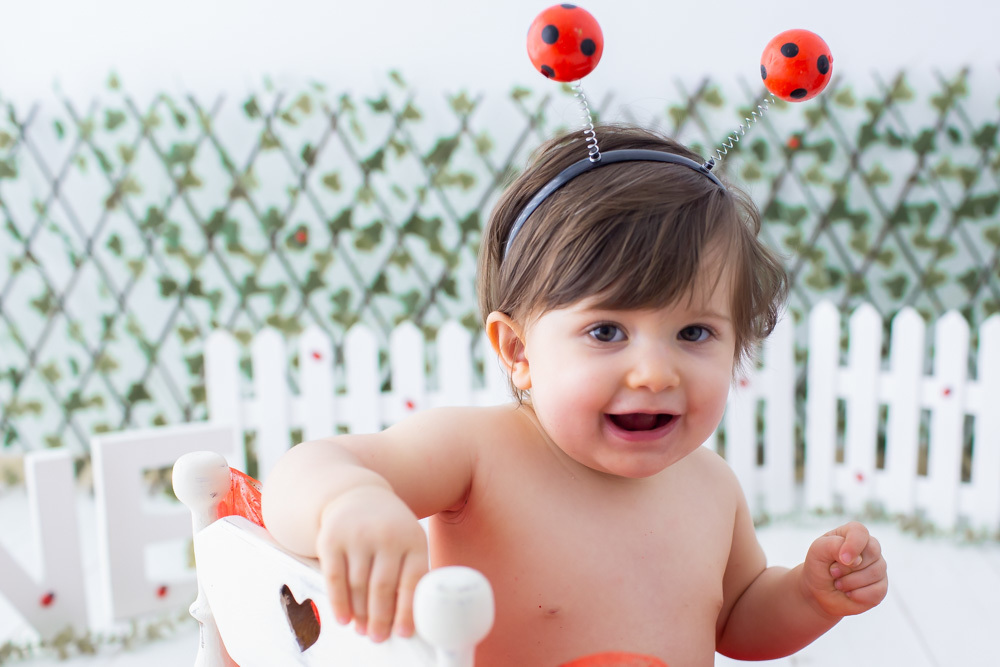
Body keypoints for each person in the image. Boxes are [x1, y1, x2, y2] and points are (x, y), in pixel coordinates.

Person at [261, 123, 888, 666]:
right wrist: (351, 501)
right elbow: (301, 473)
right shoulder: (478, 454)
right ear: (518, 350)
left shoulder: (711, 486)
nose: (655, 374)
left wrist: (808, 596)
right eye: (607, 331)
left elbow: (736, 619)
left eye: (694, 332)